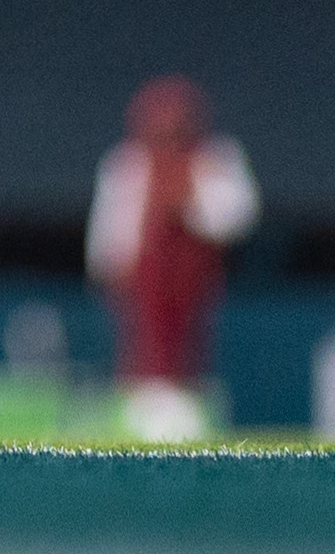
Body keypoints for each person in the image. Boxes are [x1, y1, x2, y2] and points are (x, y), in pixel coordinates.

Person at [87, 74, 258, 441]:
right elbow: (110, 229)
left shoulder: (216, 157)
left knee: (195, 353)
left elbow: (237, 217)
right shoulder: (126, 163)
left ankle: (191, 417)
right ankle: (143, 418)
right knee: (143, 353)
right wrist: (111, 264)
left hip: (198, 277)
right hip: (143, 280)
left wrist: (189, 201)